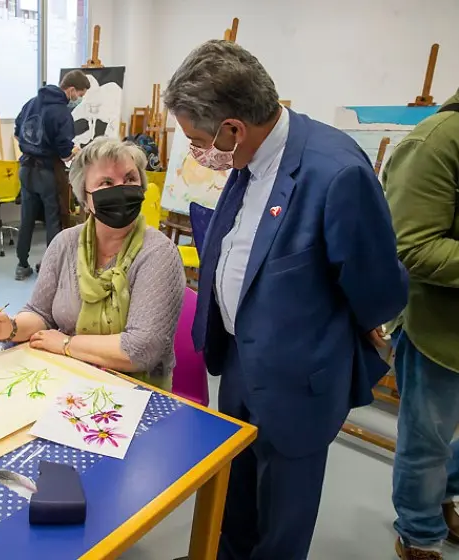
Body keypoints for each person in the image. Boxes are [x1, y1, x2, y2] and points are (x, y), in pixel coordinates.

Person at [163, 40, 409, 559]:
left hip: (299, 382)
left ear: (233, 128)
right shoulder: (247, 161)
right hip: (238, 365)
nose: (195, 152)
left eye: (197, 139)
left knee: (281, 524)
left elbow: (379, 289)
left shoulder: (334, 172)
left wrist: (348, 327)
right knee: (234, 506)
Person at [0, 137, 184, 390]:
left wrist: (66, 344)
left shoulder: (158, 252)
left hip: (135, 391)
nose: (121, 189)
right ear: (85, 198)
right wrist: (10, 327)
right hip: (67, 379)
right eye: (106, 182)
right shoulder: (65, 243)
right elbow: (40, 313)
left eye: (130, 178)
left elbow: (141, 350)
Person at [384, 89, 459, 560]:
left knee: (433, 453)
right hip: (440, 331)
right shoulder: (436, 142)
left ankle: (435, 494)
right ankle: (419, 532)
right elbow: (409, 246)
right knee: (427, 442)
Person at [13, 69, 90, 280]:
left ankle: (21, 265)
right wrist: (75, 150)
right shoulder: (61, 112)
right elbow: (65, 152)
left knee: (27, 217)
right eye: (80, 95)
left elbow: (18, 129)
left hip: (25, 168)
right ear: (72, 90)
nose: (79, 99)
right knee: (53, 218)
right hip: (46, 171)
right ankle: (51, 267)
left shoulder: (31, 102)